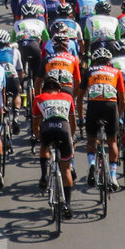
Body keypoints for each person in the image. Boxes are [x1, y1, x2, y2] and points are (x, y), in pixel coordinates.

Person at [79, 47, 125, 191]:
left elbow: (80, 97)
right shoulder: (116, 72)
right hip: (111, 106)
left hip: (94, 106)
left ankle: (92, 164)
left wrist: (80, 118)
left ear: (94, 61)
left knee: (91, 140)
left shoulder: (89, 71)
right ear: (109, 62)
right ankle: (113, 177)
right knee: (112, 141)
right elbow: (122, 100)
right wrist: (118, 116)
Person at [33, 68, 77, 216]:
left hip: (47, 129)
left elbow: (35, 122)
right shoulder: (67, 97)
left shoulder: (39, 98)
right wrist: (72, 137)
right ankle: (68, 205)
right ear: (59, 89)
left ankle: (44, 175)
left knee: (44, 146)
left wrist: (37, 137)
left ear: (44, 88)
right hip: (64, 130)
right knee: (66, 170)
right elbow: (73, 122)